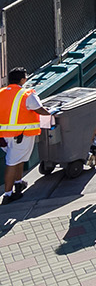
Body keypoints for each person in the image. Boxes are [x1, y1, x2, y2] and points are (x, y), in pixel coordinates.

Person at [1, 68, 46, 205]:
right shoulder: (26, 94)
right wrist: (50, 113)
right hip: (20, 136)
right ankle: (8, 194)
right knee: (12, 163)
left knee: (17, 159)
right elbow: (39, 109)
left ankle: (18, 183)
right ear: (23, 80)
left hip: (4, 136)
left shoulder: (2, 93)